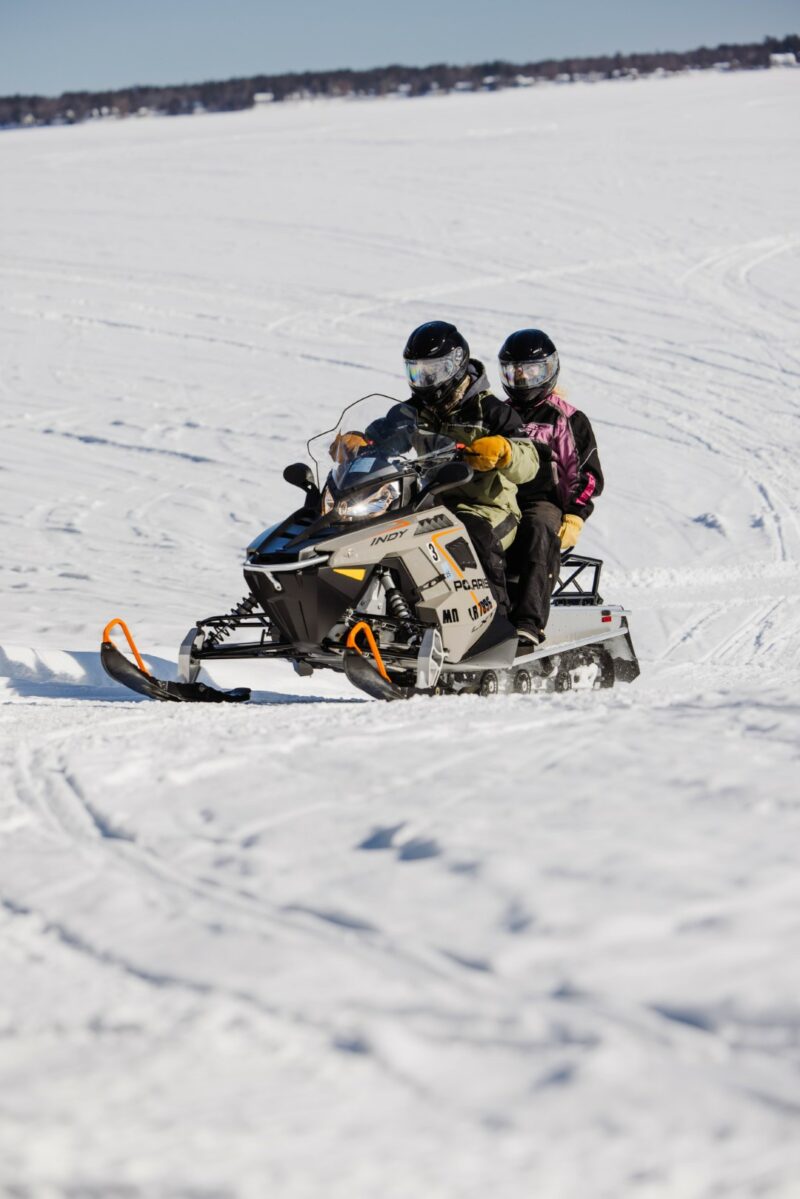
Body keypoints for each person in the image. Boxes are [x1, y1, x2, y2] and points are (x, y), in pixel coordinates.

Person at [340, 321, 539, 619]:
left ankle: (495, 625)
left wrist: (505, 451)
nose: (424, 379)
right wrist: (358, 442)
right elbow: (384, 438)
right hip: (430, 503)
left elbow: (530, 461)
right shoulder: (415, 410)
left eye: (432, 370)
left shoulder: (491, 411)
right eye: (416, 371)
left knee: (472, 539)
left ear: (455, 365)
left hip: (488, 508)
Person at [498, 328, 604, 645]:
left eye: (532, 372)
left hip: (541, 502)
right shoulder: (497, 414)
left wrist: (575, 514)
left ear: (548, 370)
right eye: (515, 372)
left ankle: (527, 622)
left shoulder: (565, 418)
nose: (523, 379)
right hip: (497, 499)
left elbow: (586, 474)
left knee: (536, 529)